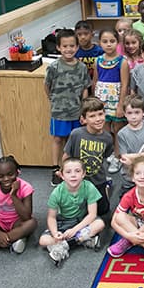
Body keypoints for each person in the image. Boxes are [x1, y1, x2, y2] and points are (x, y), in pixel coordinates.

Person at [45, 28, 90, 186]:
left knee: (76, 139)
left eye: (72, 46)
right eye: (65, 46)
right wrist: (53, 99)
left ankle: (76, 169)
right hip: (59, 110)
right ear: (58, 47)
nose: (68, 49)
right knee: (58, 139)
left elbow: (85, 87)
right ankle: (56, 169)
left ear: (77, 47)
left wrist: (83, 108)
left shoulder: (82, 67)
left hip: (76, 110)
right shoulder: (54, 67)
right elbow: (47, 85)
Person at [39, 158, 105, 266]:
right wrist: (55, 233)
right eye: (68, 172)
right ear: (62, 175)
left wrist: (74, 230)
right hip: (63, 222)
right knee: (43, 240)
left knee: (100, 224)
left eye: (77, 171)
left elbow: (92, 214)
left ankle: (65, 245)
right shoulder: (56, 193)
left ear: (83, 174)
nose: (73, 175)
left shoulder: (89, 187)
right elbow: (51, 217)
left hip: (82, 221)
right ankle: (83, 240)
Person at [62, 97, 114, 215]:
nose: (98, 119)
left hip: (98, 180)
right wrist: (64, 173)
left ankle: (106, 188)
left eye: (100, 114)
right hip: (79, 181)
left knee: (103, 211)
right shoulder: (76, 134)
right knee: (77, 212)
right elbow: (67, 155)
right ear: (83, 120)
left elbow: (105, 156)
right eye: (92, 116)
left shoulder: (108, 138)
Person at [92, 28, 129, 174]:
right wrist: (95, 102)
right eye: (105, 41)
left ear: (117, 42)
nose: (108, 45)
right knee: (105, 129)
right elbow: (95, 81)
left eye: (112, 41)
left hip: (116, 99)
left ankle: (118, 156)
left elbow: (125, 84)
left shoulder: (122, 62)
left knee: (118, 130)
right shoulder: (98, 60)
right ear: (99, 43)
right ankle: (108, 153)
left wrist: (121, 105)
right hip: (102, 99)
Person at [117, 95, 144, 197]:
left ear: (143, 112)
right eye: (129, 113)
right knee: (126, 201)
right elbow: (124, 158)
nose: (133, 116)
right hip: (128, 177)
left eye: (137, 112)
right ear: (125, 114)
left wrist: (132, 157)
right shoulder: (122, 134)